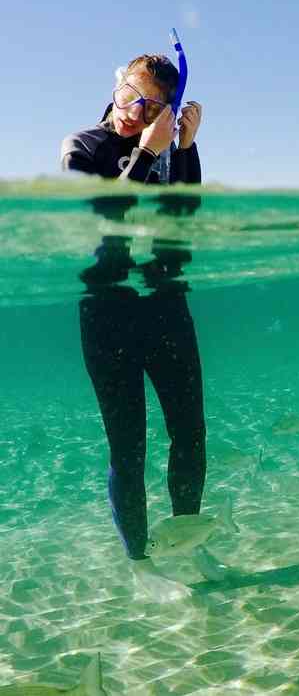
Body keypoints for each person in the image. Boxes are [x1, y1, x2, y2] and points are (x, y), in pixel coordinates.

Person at [61, 54, 217, 600]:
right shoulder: (82, 146)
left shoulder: (169, 147)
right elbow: (106, 213)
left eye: (153, 105)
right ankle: (141, 562)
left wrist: (186, 148)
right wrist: (150, 149)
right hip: (107, 313)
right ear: (116, 84)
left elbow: (183, 215)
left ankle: (186, 541)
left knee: (191, 436)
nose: (137, 111)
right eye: (133, 95)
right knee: (128, 448)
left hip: (166, 306)